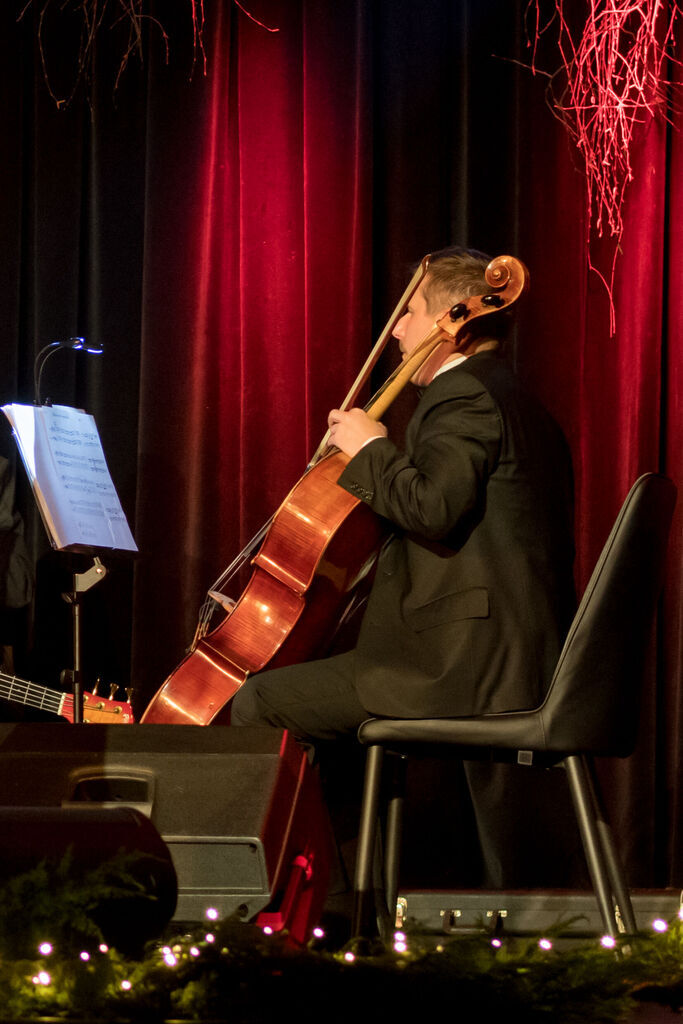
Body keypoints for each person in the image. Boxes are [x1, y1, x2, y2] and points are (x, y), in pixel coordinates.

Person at [231, 246, 578, 889]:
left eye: (410, 312)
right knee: (312, 705)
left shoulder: (464, 394)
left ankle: (317, 912)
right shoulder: (518, 401)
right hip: (503, 655)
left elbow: (433, 507)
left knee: (260, 703)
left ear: (455, 318)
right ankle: (357, 895)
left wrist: (371, 446)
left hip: (459, 666)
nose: (396, 330)